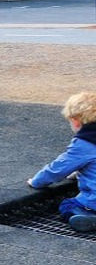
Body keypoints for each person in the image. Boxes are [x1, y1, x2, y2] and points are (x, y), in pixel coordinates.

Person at [27, 92, 96, 233]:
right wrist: (77, 173)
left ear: (75, 121)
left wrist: (36, 181)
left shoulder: (84, 144)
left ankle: (87, 217)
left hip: (93, 203)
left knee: (67, 205)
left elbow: (57, 170)